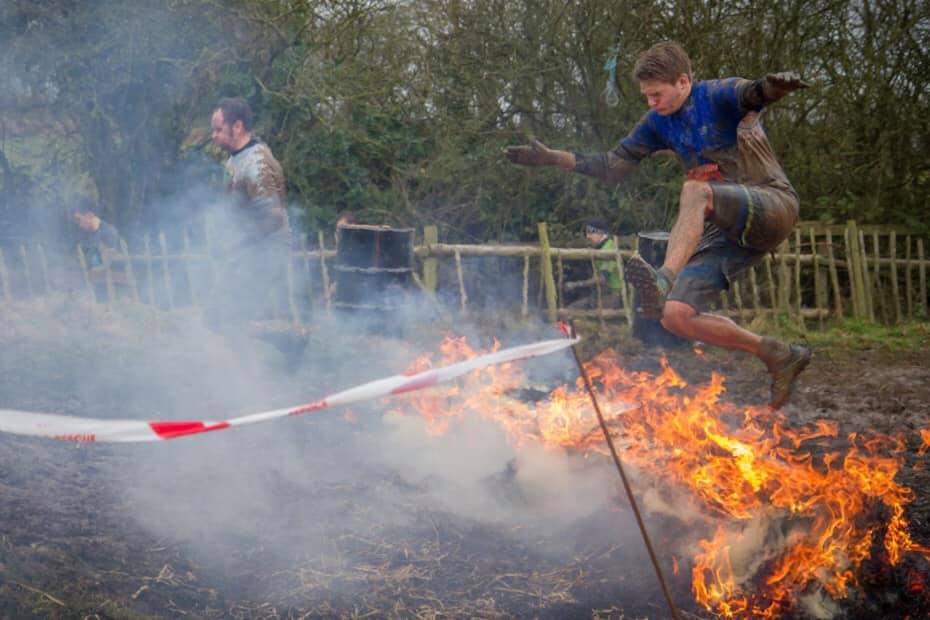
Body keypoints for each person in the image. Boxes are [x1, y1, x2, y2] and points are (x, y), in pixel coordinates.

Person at [505, 41, 811, 409]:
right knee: (674, 317)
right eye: (646, 96)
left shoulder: (716, 95)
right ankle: (779, 355)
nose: (651, 102)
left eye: (656, 94)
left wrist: (773, 88)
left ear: (683, 81)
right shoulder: (657, 123)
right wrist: (555, 158)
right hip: (728, 232)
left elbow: (753, 94)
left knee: (696, 191)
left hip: (771, 204)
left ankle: (663, 278)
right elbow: (612, 166)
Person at [205, 96, 292, 336]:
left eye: (218, 129)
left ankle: (284, 343)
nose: (213, 135)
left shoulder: (257, 163)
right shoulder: (236, 159)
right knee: (214, 317)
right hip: (246, 251)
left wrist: (237, 244)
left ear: (238, 126)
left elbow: (274, 218)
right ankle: (285, 343)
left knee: (229, 318)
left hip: (266, 251)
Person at [565, 218, 622, 311]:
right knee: (569, 309)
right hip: (601, 295)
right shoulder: (602, 248)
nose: (587, 236)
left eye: (591, 232)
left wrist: (577, 284)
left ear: (600, 232)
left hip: (612, 296)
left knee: (570, 311)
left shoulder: (608, 250)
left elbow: (603, 279)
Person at [72, 204, 123, 269]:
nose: (80, 225)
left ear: (89, 215)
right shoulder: (93, 233)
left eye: (79, 219)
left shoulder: (108, 232)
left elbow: (108, 261)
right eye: (76, 222)